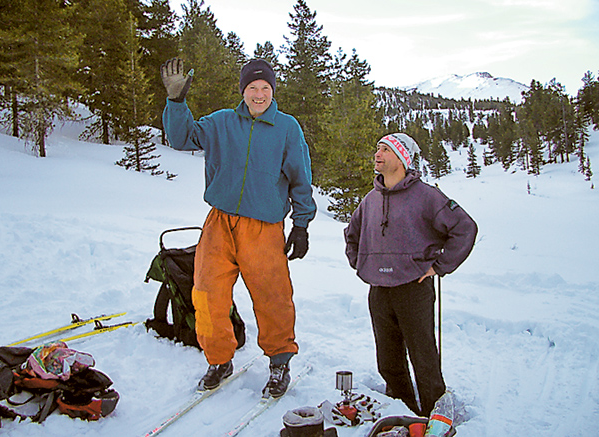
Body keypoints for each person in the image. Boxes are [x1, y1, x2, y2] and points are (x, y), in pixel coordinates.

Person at [160, 58, 317, 398]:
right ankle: (219, 359)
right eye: (252, 88)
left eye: (265, 88)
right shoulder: (221, 122)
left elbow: (301, 178)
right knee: (206, 294)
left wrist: (301, 225)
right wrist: (176, 102)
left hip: (264, 228)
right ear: (242, 91)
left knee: (273, 298)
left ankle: (279, 363)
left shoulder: (287, 128)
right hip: (219, 223)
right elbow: (181, 138)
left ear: (272, 91)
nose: (259, 94)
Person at [344, 133, 477, 417]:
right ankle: (402, 410)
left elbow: (464, 228)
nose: (378, 154)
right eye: (377, 147)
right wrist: (361, 264)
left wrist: (438, 267)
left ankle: (434, 414)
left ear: (402, 158)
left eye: (386, 149)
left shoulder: (427, 196)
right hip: (379, 290)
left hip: (413, 288)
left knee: (424, 358)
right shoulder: (370, 200)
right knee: (388, 361)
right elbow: (352, 235)